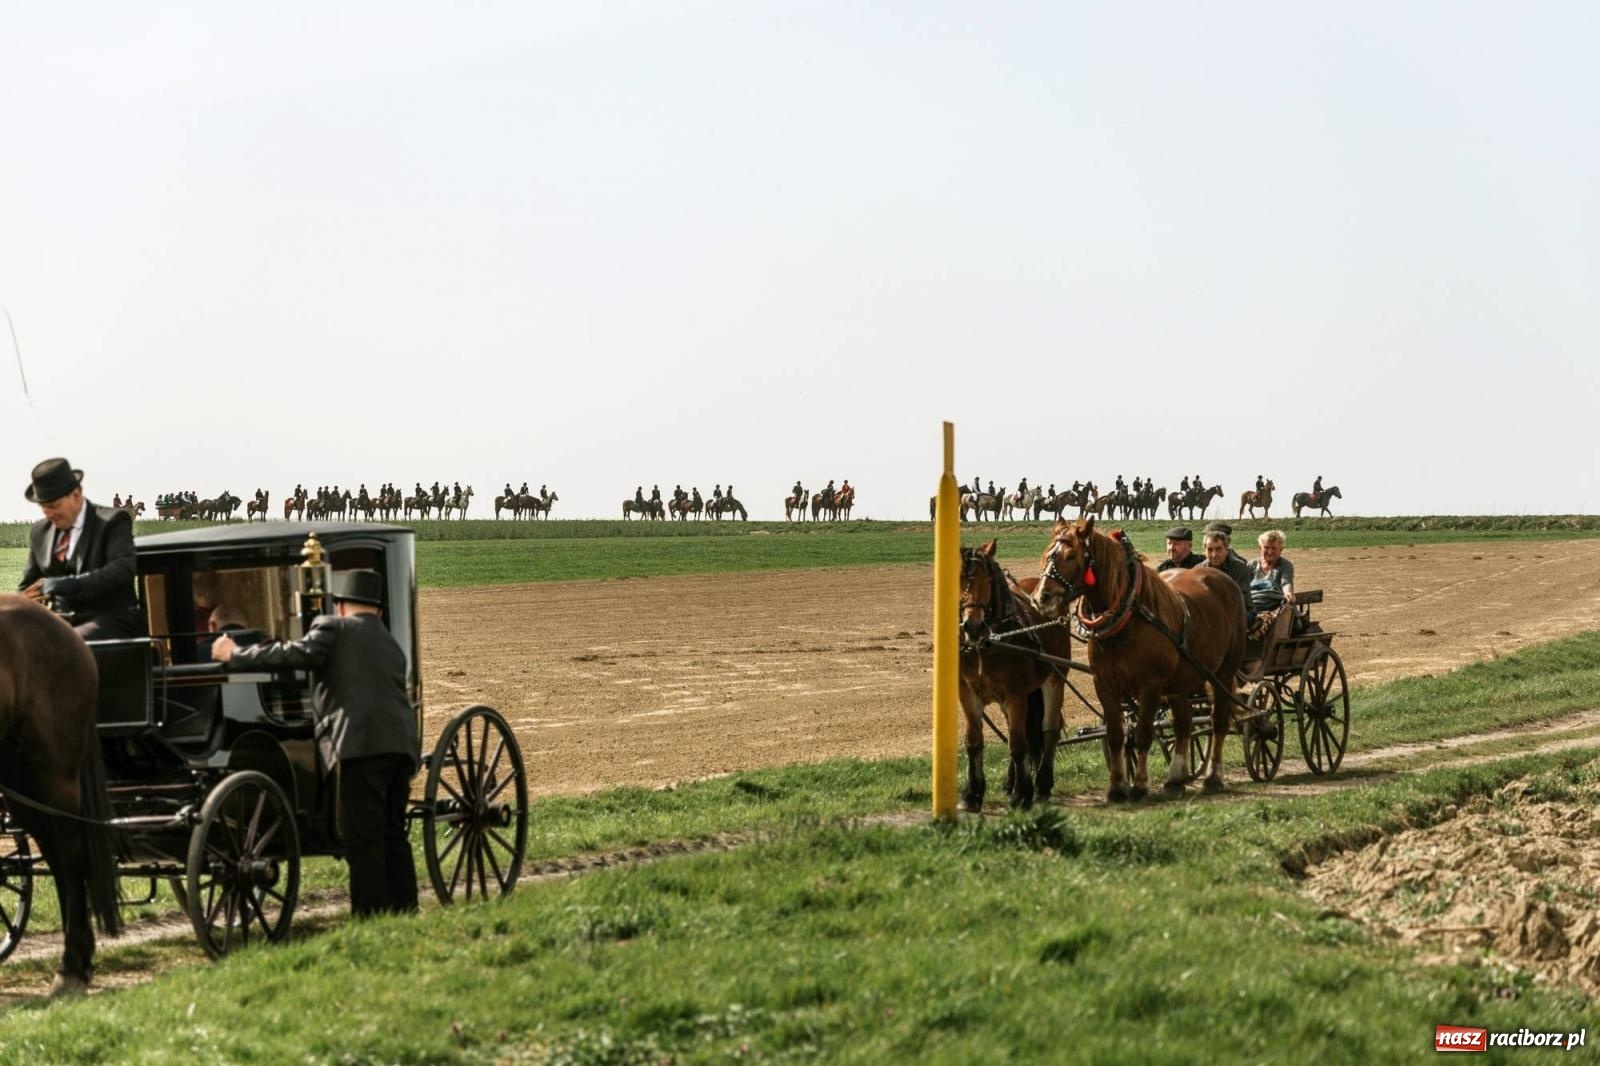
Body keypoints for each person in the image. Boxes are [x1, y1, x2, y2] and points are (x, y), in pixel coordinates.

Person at [211, 569, 418, 918]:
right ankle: (405, 911)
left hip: (360, 746)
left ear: (339, 606)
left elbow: (292, 655)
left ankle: (371, 918)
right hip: (401, 748)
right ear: (378, 611)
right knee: (393, 835)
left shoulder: (335, 629)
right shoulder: (390, 642)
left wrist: (236, 654)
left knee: (364, 839)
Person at [18, 458, 145, 640]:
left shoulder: (112, 521)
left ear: (76, 495)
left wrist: (71, 584)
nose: (49, 514)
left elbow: (122, 570)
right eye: (44, 508)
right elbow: (28, 584)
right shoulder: (40, 532)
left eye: (54, 506)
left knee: (65, 643)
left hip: (112, 620)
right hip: (60, 623)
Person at [1245, 530, 1296, 613]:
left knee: (1296, 624)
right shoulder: (1251, 564)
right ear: (1260, 548)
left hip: (1275, 605)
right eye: (1266, 547)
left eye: (1274, 548)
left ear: (1281, 550)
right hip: (1253, 604)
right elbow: (1244, 584)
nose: (1270, 552)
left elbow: (1286, 582)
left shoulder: (1285, 565)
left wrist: (1288, 593)